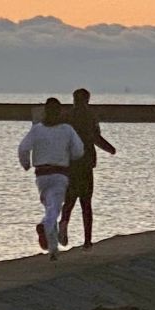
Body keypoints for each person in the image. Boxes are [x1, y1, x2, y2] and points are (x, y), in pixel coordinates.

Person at [18, 98, 84, 261]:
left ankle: (50, 239)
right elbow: (78, 150)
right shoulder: (67, 130)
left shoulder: (37, 130)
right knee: (54, 208)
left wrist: (26, 163)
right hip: (60, 173)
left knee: (50, 204)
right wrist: (70, 156)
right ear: (60, 111)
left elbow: (23, 148)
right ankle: (52, 246)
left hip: (41, 174)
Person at [59, 87, 117, 250]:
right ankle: (87, 241)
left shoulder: (66, 117)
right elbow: (95, 137)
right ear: (87, 100)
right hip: (86, 164)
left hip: (71, 164)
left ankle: (63, 223)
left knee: (69, 200)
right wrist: (110, 149)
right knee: (86, 203)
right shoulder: (90, 116)